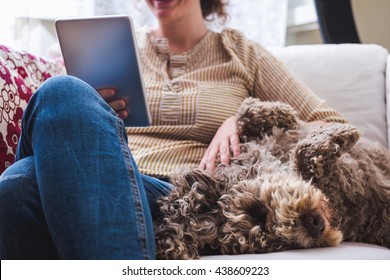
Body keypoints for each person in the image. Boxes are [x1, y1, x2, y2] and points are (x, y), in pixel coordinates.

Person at [0, 0, 346, 259]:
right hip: (107, 173)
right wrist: (92, 118)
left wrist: (243, 118)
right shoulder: (113, 47)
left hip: (187, 195)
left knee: (22, 176)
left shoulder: (241, 53)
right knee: (24, 173)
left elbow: (332, 125)